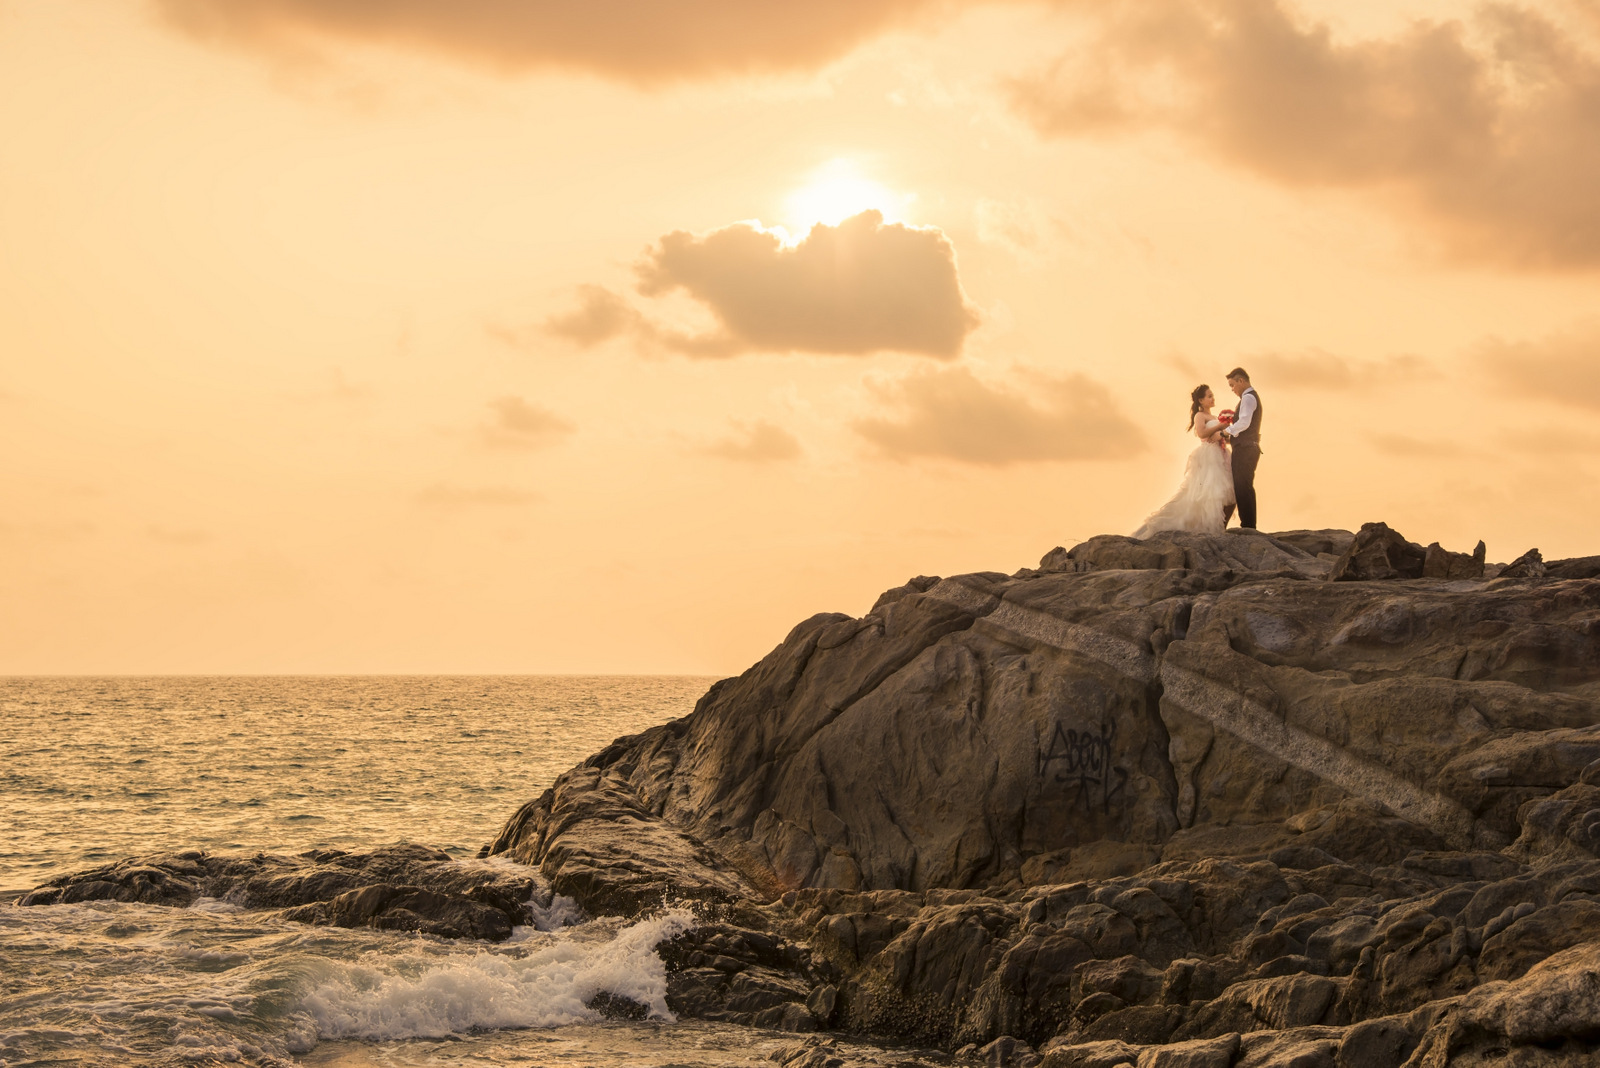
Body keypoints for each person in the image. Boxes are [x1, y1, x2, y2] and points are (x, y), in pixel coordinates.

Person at [1132, 384, 1236, 538]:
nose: (1212, 398)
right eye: (1209, 396)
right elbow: (1202, 434)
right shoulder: (1200, 416)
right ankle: (1211, 528)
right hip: (1209, 456)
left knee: (1228, 492)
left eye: (1212, 395)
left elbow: (1218, 436)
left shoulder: (1214, 417)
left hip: (1221, 455)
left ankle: (1221, 527)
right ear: (1201, 400)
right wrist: (1221, 426)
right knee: (1211, 492)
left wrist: (1227, 434)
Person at [1221, 367, 1262, 529]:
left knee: (1243, 485)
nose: (1232, 389)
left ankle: (1248, 525)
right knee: (1242, 485)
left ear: (1241, 381)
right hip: (1246, 446)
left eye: (1232, 385)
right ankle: (1248, 524)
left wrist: (1226, 432)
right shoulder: (1249, 398)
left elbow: (1244, 422)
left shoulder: (1248, 398)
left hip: (1246, 449)